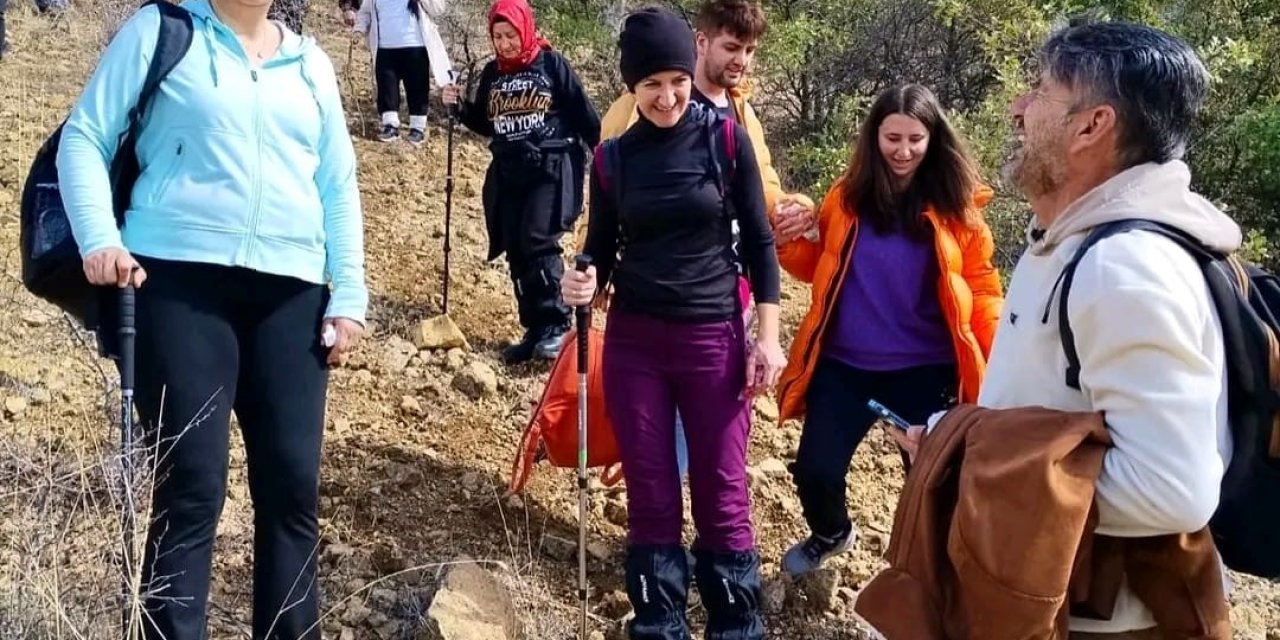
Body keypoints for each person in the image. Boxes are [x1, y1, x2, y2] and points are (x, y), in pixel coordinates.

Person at [895, 19, 1237, 640]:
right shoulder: (1074, 239)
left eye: (1039, 90)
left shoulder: (1124, 265)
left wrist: (966, 461)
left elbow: (1172, 489)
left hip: (1102, 623)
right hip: (1056, 599)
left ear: (1091, 126)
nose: (1017, 107)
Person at [55, 0, 367, 636]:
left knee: (292, 490)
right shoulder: (162, 32)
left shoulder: (310, 64)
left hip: (293, 292)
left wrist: (350, 295)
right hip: (178, 283)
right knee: (192, 486)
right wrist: (99, 238)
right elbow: (84, 136)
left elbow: (337, 184)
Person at [561, 8, 784, 639]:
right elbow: (600, 247)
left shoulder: (727, 141)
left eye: (678, 81)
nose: (667, 97)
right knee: (651, 492)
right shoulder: (611, 159)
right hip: (635, 343)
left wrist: (767, 338)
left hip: (713, 338)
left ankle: (736, 626)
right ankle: (659, 624)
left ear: (691, 72)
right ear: (631, 86)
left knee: (721, 488)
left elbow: (760, 243)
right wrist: (582, 278)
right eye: (651, 84)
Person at [772, 83, 1002, 577]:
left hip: (925, 370)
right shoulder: (847, 197)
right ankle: (831, 533)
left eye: (915, 139)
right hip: (846, 365)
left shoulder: (957, 209)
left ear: (933, 139)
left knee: (930, 481)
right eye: (892, 138)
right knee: (815, 469)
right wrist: (790, 242)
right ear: (874, 137)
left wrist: (999, 349)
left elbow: (981, 287)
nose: (903, 151)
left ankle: (930, 575)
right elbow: (821, 267)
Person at [592, 0, 816, 480]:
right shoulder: (639, 107)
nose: (741, 61)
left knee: (717, 442)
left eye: (750, 51)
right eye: (732, 48)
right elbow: (607, 199)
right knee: (658, 424)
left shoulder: (739, 114)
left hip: (724, 296)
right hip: (651, 299)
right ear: (701, 42)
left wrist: (793, 206)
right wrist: (594, 271)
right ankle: (656, 491)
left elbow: (762, 190)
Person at [442, 0, 600, 364]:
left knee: (536, 237)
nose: (505, 44)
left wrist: (609, 162)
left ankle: (557, 324)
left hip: (551, 165)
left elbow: (585, 115)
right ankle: (535, 329)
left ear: (525, 29)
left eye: (510, 35)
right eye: (497, 37)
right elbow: (486, 122)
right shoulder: (493, 73)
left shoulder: (552, 65)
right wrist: (458, 107)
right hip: (509, 168)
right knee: (515, 244)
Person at [353, 0, 446, 145]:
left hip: (415, 46)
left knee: (418, 88)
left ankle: (418, 128)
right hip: (385, 47)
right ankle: (390, 126)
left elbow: (438, 9)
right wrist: (359, 29)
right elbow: (365, 12)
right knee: (387, 88)